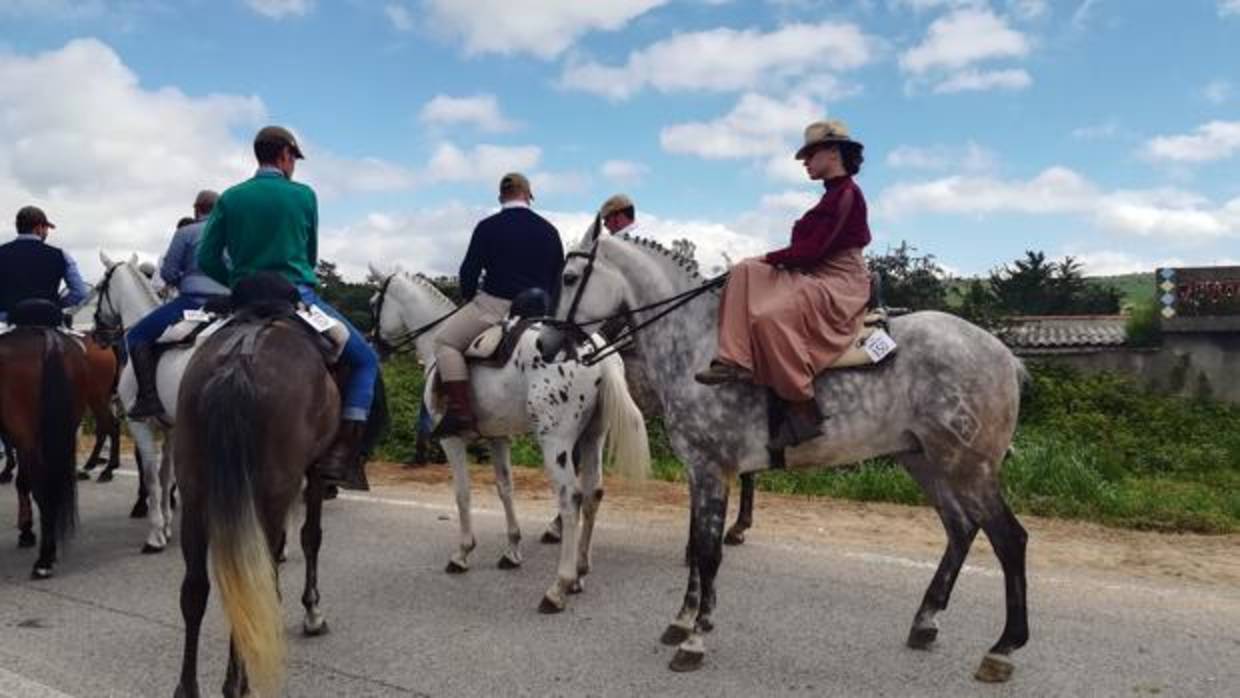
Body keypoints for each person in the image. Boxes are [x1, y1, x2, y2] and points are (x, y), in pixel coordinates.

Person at [197, 125, 379, 491]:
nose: (294, 164)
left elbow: (206, 257)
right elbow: (309, 254)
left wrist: (236, 282)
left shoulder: (231, 198)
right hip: (295, 295)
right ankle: (342, 451)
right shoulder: (303, 195)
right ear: (284, 155)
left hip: (244, 297)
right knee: (365, 360)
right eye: (294, 157)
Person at [694, 119, 872, 449]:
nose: (805, 161)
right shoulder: (831, 197)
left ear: (833, 152)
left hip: (840, 281)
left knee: (768, 318)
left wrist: (770, 257)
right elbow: (805, 255)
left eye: (810, 154)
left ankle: (802, 405)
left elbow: (813, 251)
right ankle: (731, 360)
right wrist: (761, 261)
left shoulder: (848, 195)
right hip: (814, 273)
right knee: (743, 270)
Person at [432, 172, 564, 437]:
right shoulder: (549, 230)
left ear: (501, 197)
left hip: (495, 306)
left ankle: (463, 415)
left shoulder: (487, 226)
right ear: (528, 196)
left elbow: (469, 271)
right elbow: (558, 277)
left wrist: (469, 298)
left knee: (444, 342)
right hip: (543, 309)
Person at [125, 191, 230, 418]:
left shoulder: (185, 232)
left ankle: (149, 399)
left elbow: (169, 271)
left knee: (136, 335)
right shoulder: (234, 234)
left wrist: (180, 279)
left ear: (196, 210)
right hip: (228, 305)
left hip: (192, 302)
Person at [0, 206, 89, 324]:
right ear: (39, 228)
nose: (47, 233)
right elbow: (80, 292)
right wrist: (56, 305)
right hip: (49, 321)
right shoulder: (61, 255)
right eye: (46, 228)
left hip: (7, 321)